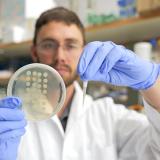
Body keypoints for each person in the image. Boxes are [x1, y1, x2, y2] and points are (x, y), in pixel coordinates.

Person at [0, 7, 160, 160]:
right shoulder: (8, 120)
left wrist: (151, 84)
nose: (60, 56)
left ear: (83, 51)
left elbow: (155, 152)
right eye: (49, 45)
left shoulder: (109, 115)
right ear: (34, 53)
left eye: (70, 45)